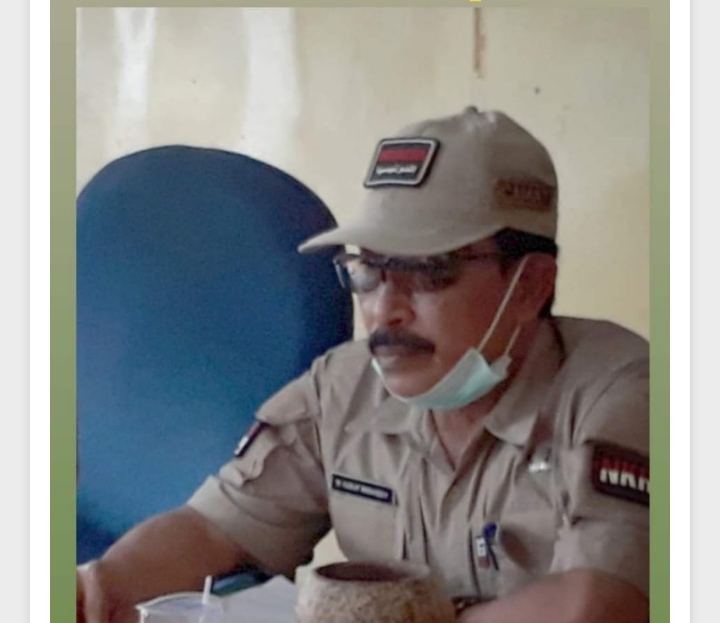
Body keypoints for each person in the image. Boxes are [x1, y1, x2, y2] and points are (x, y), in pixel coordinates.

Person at [77, 106, 649, 623]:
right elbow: (215, 527)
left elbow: (601, 605)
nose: (383, 308)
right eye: (369, 270)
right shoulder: (342, 389)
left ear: (530, 286)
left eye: (429, 272)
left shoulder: (621, 395)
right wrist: (103, 587)